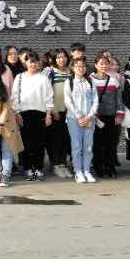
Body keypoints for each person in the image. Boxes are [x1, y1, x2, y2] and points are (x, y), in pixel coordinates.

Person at [12, 51, 54, 182]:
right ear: (26, 63)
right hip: (23, 113)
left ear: (39, 63)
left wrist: (48, 115)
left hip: (40, 113)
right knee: (25, 142)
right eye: (30, 62)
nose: (33, 64)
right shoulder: (19, 77)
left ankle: (38, 167)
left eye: (35, 62)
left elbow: (49, 97)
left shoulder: (43, 78)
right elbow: (14, 96)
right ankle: (28, 168)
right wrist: (17, 113)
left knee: (39, 142)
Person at [64, 57, 99, 183]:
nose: (81, 68)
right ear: (73, 68)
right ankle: (78, 171)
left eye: (83, 66)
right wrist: (79, 116)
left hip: (90, 119)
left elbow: (95, 100)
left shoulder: (90, 81)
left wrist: (89, 116)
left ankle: (87, 171)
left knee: (88, 147)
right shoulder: (69, 82)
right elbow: (68, 101)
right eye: (78, 66)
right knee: (77, 146)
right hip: (74, 119)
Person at [89, 53, 124, 178]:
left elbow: (119, 99)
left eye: (106, 64)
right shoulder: (90, 80)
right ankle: (98, 167)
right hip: (96, 117)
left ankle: (110, 167)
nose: (104, 66)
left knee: (111, 144)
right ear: (96, 65)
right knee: (97, 143)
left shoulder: (114, 80)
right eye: (101, 64)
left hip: (111, 116)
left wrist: (120, 114)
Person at [42, 48, 72, 179]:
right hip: (56, 111)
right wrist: (53, 110)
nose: (61, 59)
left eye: (63, 56)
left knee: (66, 138)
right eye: (58, 57)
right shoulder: (50, 71)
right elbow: (46, 92)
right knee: (55, 139)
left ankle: (63, 164)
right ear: (54, 59)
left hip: (69, 111)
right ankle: (56, 164)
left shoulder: (70, 72)